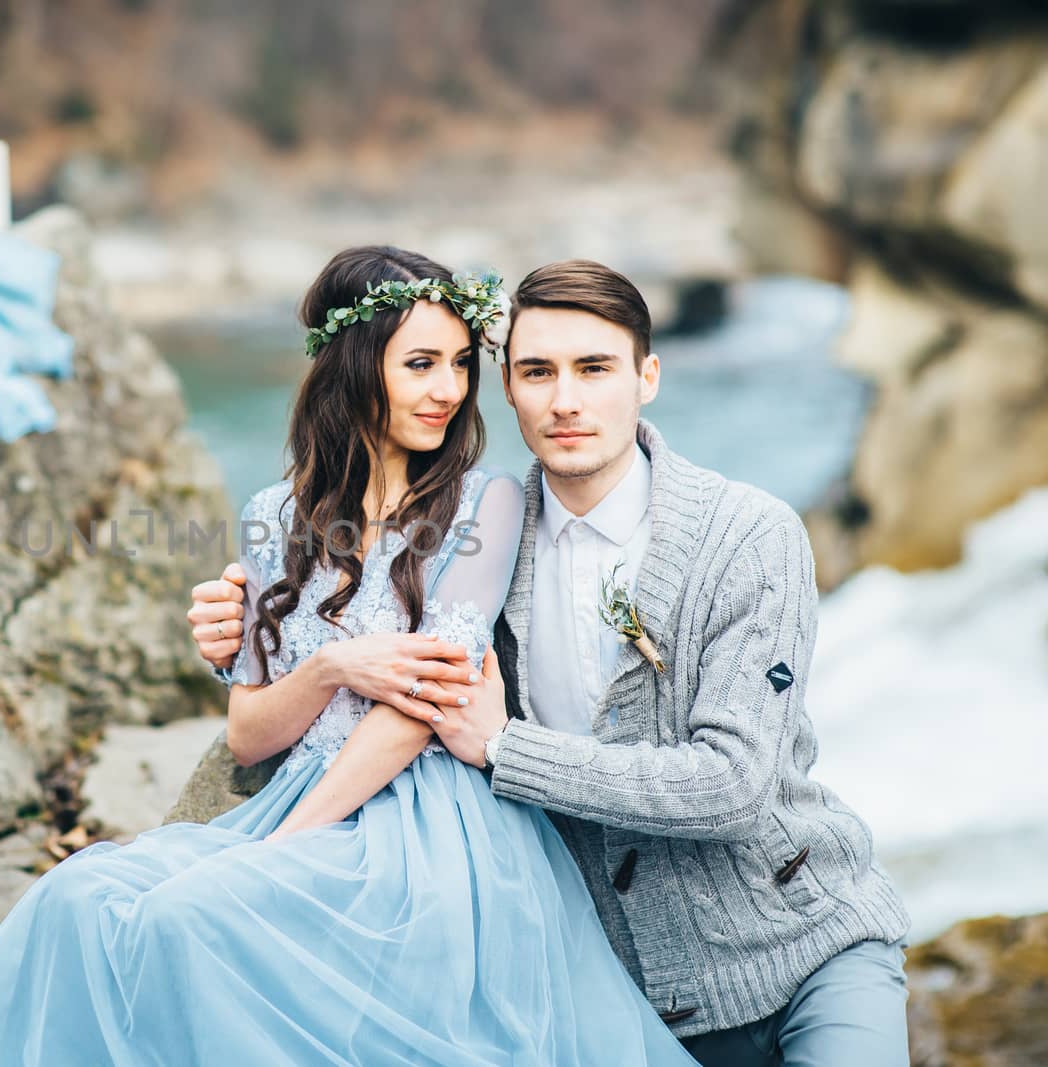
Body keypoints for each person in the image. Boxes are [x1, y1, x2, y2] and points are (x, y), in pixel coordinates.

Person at [0, 247, 697, 1066]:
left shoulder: (483, 501)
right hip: (293, 800)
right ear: (354, 367)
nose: (448, 390)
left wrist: (280, 850)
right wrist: (328, 670)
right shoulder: (271, 513)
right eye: (420, 363)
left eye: (460, 363)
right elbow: (249, 736)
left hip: (424, 821)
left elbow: (423, 705)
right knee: (76, 894)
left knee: (195, 916)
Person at [189, 259, 912, 1067]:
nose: (566, 400)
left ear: (648, 376)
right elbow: (362, 621)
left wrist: (504, 748)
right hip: (621, 989)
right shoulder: (479, 534)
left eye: (595, 368)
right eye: (538, 371)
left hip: (805, 947)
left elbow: (733, 784)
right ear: (505, 387)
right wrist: (240, 627)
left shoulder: (749, 535)